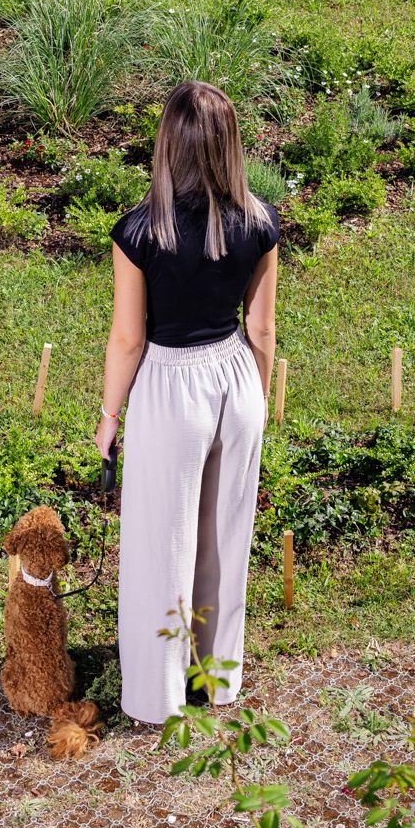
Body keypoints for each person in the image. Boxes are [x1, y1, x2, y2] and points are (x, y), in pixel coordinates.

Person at [95, 80, 279, 725]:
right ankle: (216, 680)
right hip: (235, 376)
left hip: (171, 386)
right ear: (229, 143)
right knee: (225, 536)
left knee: (161, 541)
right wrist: (254, 400)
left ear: (167, 145)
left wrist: (109, 417)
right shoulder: (258, 221)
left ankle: (158, 692)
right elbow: (261, 329)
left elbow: (128, 338)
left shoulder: (139, 231)